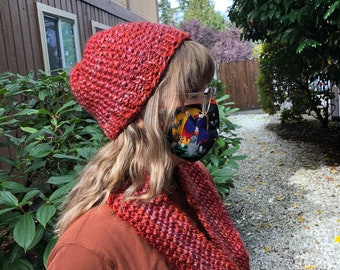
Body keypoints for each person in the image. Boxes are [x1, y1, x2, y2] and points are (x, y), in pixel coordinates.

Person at [47, 22, 249, 270]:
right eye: (192, 91)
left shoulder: (194, 180)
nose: (207, 103)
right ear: (141, 112)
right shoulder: (88, 250)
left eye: (205, 90)